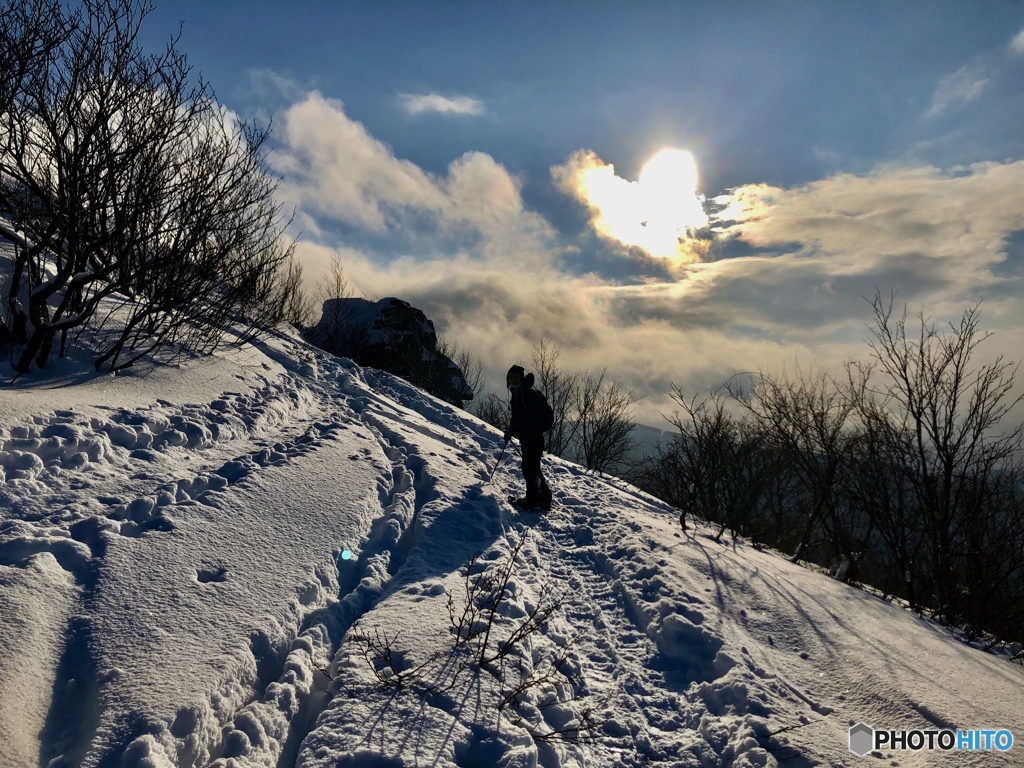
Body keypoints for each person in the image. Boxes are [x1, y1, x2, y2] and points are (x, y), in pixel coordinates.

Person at [503, 364, 554, 511]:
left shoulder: (527, 394)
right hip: (528, 437)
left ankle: (532, 501)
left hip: (533, 437)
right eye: (510, 377)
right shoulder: (517, 395)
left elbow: (535, 415)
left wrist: (521, 424)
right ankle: (544, 498)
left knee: (529, 468)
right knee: (533, 468)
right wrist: (511, 431)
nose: (512, 380)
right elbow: (517, 418)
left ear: (521, 378)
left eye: (515, 377)